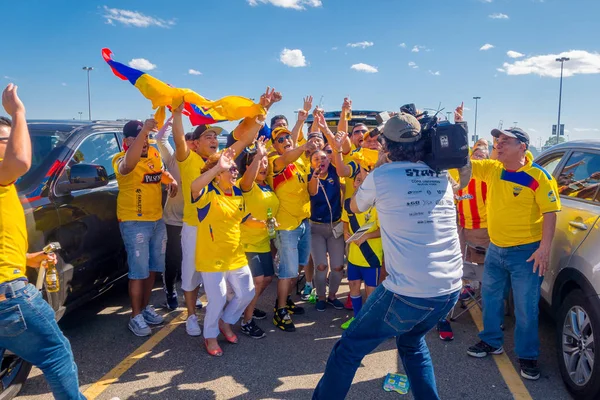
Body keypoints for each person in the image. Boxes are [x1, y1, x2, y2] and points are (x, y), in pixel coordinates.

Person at [313, 113, 464, 400]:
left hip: (408, 291)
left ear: (386, 145)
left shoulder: (381, 176)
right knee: (412, 343)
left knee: (348, 349)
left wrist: (379, 167)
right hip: (449, 289)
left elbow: (355, 207)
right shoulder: (441, 174)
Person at [0, 84, 87, 399]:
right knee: (56, 354)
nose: (14, 146)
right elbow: (21, 162)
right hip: (9, 298)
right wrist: (18, 112)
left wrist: (25, 257)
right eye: (6, 140)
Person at [171, 89, 271, 337]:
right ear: (195, 143)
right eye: (207, 136)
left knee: (221, 284)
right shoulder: (187, 158)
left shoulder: (222, 160)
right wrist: (176, 111)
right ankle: (192, 316)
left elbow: (244, 141)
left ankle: (217, 320)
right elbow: (177, 137)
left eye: (215, 135)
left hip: (220, 233)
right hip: (195, 226)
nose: (214, 138)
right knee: (191, 275)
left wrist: (262, 110)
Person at [466, 127, 561, 381]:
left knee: (526, 307)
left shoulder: (538, 176)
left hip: (526, 253)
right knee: (491, 298)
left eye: (505, 141)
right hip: (496, 248)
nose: (498, 144)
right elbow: (464, 161)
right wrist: (459, 125)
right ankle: (491, 341)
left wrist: (544, 248)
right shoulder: (493, 169)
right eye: (497, 140)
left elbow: (550, 213)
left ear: (522, 147)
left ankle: (528, 356)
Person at [190, 149, 264, 356]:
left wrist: (263, 224)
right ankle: (210, 336)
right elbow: (193, 187)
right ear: (218, 173)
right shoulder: (207, 192)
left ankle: (226, 321)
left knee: (247, 292)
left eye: (235, 169)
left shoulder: (237, 193)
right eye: (230, 169)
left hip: (235, 254)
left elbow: (242, 218)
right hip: (211, 256)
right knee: (218, 298)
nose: (235, 172)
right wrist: (216, 168)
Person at [113, 119, 176, 336]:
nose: (145, 142)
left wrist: (171, 181)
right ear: (127, 141)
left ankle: (144, 307)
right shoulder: (121, 158)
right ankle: (135, 316)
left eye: (147, 138)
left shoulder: (153, 155)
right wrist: (143, 136)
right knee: (138, 272)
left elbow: (158, 173)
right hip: (134, 222)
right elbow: (128, 167)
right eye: (139, 138)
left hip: (157, 221)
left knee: (152, 269)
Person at [437, 137, 491, 341]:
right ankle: (445, 312)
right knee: (453, 266)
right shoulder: (456, 173)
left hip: (484, 228)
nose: (478, 157)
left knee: (485, 269)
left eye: (483, 154)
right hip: (458, 224)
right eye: (476, 153)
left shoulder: (490, 175)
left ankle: (488, 306)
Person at [269, 126, 319, 332]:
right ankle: (279, 312)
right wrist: (304, 145)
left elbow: (311, 191)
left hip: (303, 222)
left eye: (288, 137)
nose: (285, 140)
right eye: (280, 139)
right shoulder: (276, 162)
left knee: (298, 267)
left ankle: (286, 300)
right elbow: (286, 158)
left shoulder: (301, 162)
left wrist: (315, 175)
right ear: (274, 146)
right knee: (287, 272)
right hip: (286, 226)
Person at [239, 138, 279, 338]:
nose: (264, 166)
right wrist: (259, 154)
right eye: (260, 163)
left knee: (268, 278)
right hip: (247, 242)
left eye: (266, 163)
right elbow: (247, 180)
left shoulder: (267, 186)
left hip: (264, 241)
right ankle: (246, 320)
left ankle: (247, 306)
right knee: (258, 280)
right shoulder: (246, 185)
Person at [340, 172, 383, 330]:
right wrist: (345, 232)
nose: (361, 184)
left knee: (371, 291)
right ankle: (357, 319)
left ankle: (370, 323)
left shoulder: (378, 205)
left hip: (371, 255)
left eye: (366, 182)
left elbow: (384, 230)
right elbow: (345, 222)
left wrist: (367, 236)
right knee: (353, 285)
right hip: (353, 255)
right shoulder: (348, 203)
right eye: (359, 180)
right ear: (354, 184)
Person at [307, 148, 345, 311]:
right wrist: (315, 176)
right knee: (321, 265)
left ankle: (333, 295)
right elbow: (312, 191)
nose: (320, 161)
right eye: (316, 158)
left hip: (335, 226)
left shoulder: (335, 172)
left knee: (337, 266)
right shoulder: (309, 177)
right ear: (311, 163)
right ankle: (321, 296)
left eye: (323, 158)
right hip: (316, 228)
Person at [155, 117, 184, 310]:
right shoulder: (173, 159)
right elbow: (160, 140)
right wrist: (172, 119)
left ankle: (190, 292)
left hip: (196, 219)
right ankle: (170, 290)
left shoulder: (204, 163)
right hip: (174, 219)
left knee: (191, 258)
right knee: (173, 257)